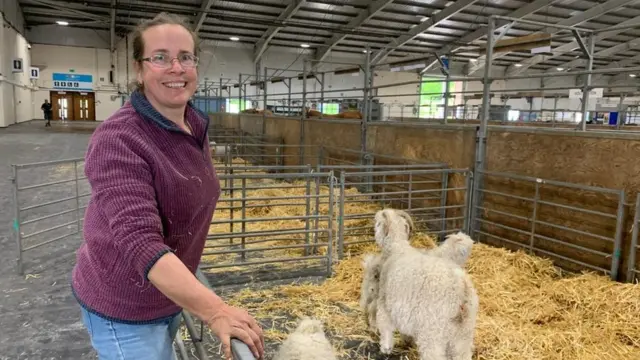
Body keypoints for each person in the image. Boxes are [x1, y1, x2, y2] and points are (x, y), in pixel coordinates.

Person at [70, 12, 264, 360]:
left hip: (169, 295)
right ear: (139, 69)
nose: (176, 68)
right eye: (160, 57)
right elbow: (141, 242)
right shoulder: (119, 139)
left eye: (185, 57)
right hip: (125, 307)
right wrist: (216, 310)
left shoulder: (192, 123)